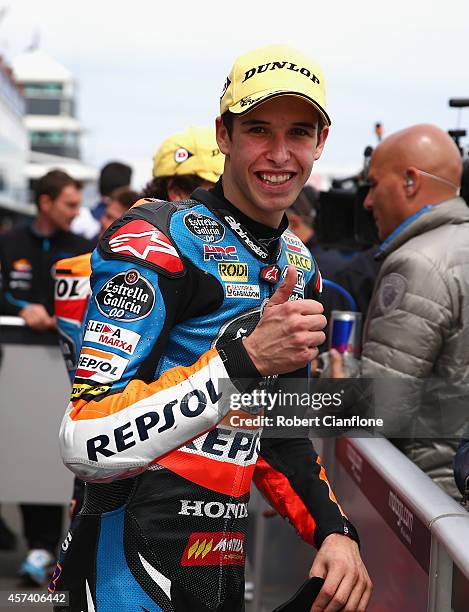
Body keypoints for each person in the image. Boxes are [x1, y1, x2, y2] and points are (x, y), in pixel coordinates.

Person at [52, 45, 371, 612]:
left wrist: (334, 530)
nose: (279, 154)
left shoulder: (300, 267)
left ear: (321, 142)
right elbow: (84, 444)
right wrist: (243, 361)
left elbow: (279, 432)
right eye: (257, 130)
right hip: (120, 570)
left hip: (218, 561)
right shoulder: (155, 239)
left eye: (299, 132)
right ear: (224, 134)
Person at [54, 128, 224, 518]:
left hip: (158, 474)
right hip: (131, 479)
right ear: (180, 192)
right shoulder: (135, 262)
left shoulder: (87, 262)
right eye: (214, 193)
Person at [331, 124, 468, 500]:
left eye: (373, 185)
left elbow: (378, 409)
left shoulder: (417, 263)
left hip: (434, 499)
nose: (366, 202)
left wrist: (336, 380)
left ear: (410, 181)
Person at [0, 169, 93, 585]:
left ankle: (56, 548)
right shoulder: (10, 242)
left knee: (62, 454)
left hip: (69, 375)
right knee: (20, 450)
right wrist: (22, 309)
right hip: (15, 371)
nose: (77, 213)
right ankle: (38, 548)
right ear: (45, 202)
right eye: (70, 204)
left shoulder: (84, 249)